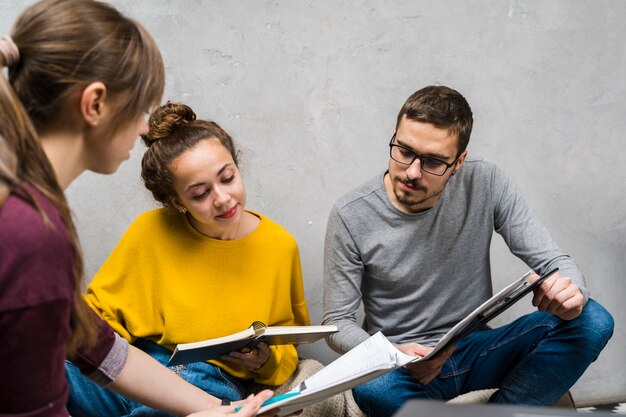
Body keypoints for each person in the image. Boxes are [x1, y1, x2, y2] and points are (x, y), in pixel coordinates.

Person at [0, 1, 272, 416]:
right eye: (140, 107)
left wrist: (221, 409)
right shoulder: (30, 232)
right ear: (94, 104)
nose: (145, 127)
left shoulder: (28, 208)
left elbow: (99, 348)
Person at [322, 85, 614, 417]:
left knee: (593, 320)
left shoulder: (486, 181)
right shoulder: (350, 214)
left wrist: (571, 294)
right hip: (403, 366)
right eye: (404, 151)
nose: (412, 172)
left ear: (459, 160)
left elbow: (554, 261)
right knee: (370, 387)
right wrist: (393, 354)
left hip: (478, 351)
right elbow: (338, 322)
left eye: (433, 161)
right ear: (394, 136)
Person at [65, 101, 336, 416]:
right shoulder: (150, 231)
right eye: (199, 194)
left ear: (237, 166)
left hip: (210, 384)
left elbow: (287, 348)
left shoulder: (279, 246)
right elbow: (95, 323)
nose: (222, 198)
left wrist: (263, 361)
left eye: (227, 177)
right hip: (134, 370)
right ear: (175, 201)